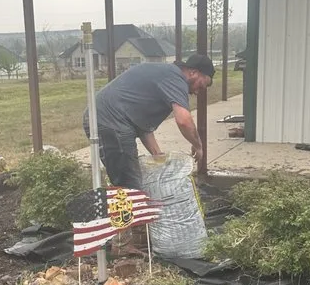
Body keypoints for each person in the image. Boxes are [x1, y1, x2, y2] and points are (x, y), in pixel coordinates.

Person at [83, 53, 214, 190]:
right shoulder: (176, 78)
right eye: (201, 85)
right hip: (110, 120)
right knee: (129, 185)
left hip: (106, 118)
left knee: (130, 182)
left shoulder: (166, 75)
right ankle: (128, 202)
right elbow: (184, 121)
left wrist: (157, 156)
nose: (197, 92)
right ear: (193, 72)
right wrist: (198, 146)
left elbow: (143, 127)